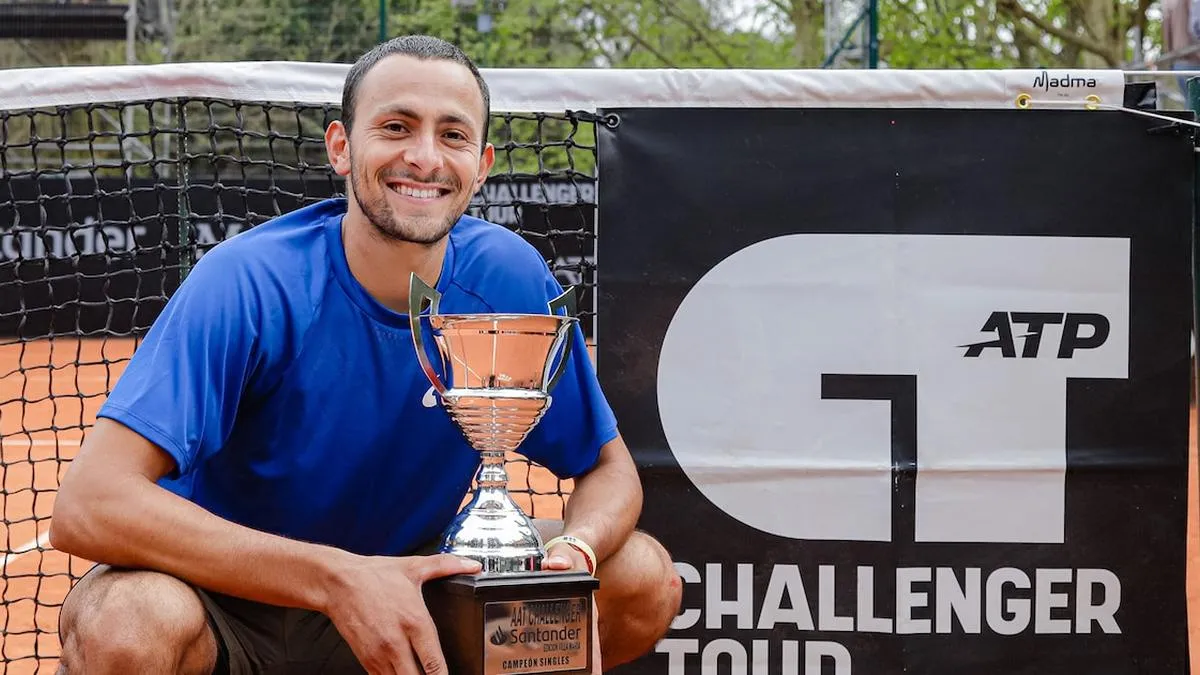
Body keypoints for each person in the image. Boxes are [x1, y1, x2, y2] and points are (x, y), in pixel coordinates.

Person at [50, 35, 682, 675]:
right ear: (341, 148)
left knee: (637, 576)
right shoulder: (248, 281)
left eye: (453, 135)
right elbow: (89, 504)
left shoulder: (510, 278)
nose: (424, 157)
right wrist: (336, 578)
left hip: (419, 585)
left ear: (483, 163)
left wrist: (577, 547)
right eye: (396, 127)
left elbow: (609, 469)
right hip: (231, 601)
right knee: (125, 624)